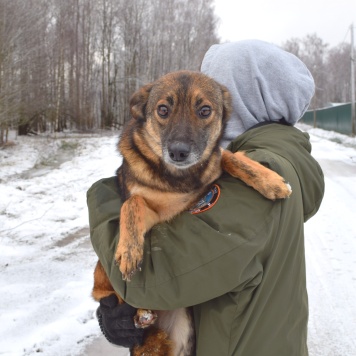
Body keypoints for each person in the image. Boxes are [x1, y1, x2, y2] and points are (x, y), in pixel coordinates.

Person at [87, 40, 324, 355]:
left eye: (204, 106)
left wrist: (105, 197)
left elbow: (153, 279)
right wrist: (123, 306)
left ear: (242, 99)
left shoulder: (260, 172)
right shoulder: (249, 159)